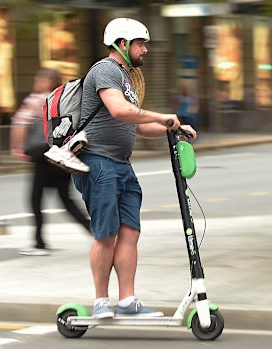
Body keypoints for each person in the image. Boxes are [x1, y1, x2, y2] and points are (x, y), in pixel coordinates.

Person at [70, 18, 197, 318]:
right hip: (98, 162)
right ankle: (101, 300)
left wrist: (171, 129)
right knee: (106, 235)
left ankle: (127, 300)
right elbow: (120, 110)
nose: (146, 49)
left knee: (130, 233)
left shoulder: (126, 78)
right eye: (141, 43)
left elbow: (136, 127)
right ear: (122, 44)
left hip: (122, 165)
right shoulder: (104, 70)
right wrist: (164, 115)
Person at [11, 69, 92, 256]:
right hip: (62, 155)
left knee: (35, 199)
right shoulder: (63, 99)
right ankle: (95, 232)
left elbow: (20, 123)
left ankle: (39, 243)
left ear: (47, 81)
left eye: (38, 79)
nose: (36, 82)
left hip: (43, 156)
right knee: (66, 201)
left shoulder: (37, 99)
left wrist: (16, 147)